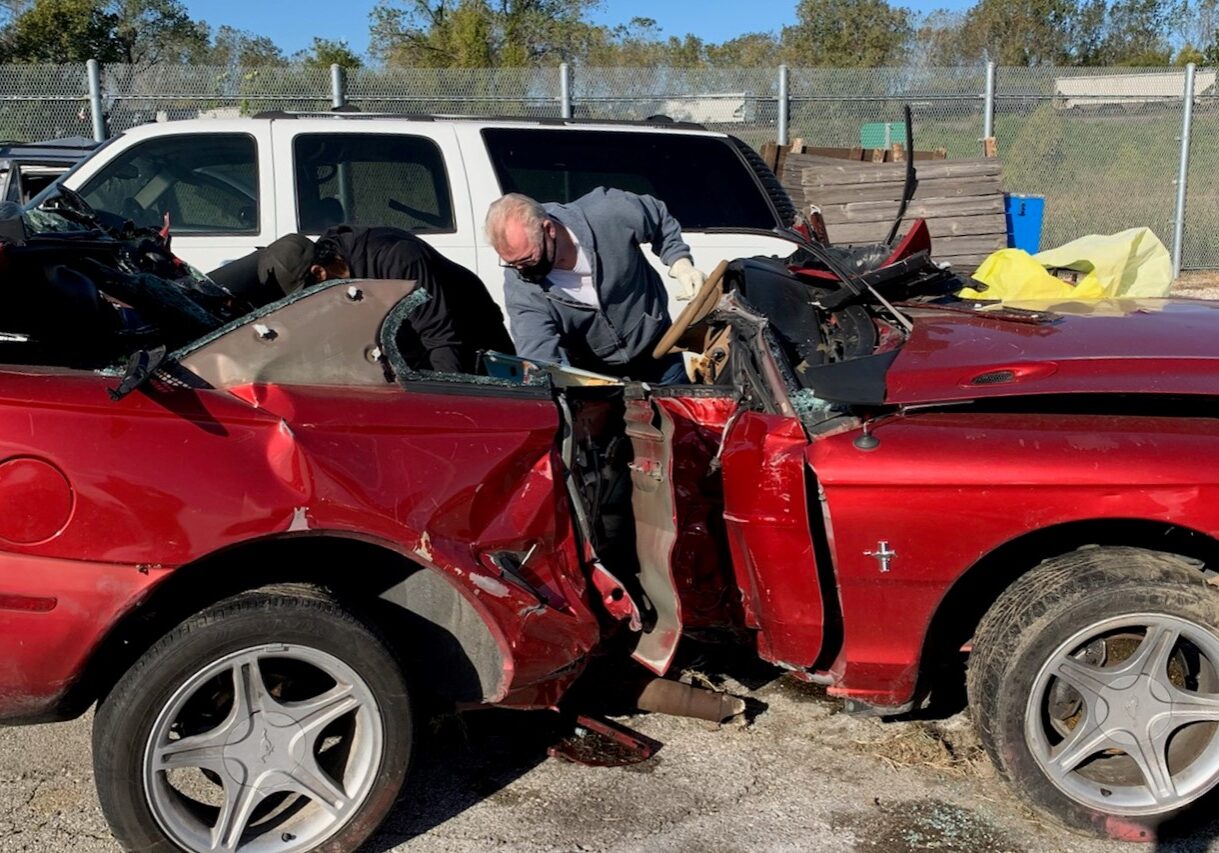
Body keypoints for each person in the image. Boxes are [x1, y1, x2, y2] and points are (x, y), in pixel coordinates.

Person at [209, 226, 514, 374]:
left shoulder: (396, 261)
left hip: (474, 342)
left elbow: (443, 338)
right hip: (417, 346)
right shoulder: (336, 271)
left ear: (319, 272)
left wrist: (438, 409)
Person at [485, 188, 707, 383]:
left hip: (659, 352)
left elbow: (657, 216)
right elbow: (537, 354)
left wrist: (681, 263)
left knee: (686, 425)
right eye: (512, 263)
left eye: (528, 259)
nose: (522, 270)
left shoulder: (607, 212)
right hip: (594, 376)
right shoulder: (521, 286)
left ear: (549, 230)